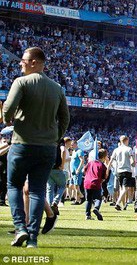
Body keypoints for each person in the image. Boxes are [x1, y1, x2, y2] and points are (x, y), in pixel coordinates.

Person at [2, 47, 70, 248]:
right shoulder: (57, 88)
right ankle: (32, 238)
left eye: (23, 60)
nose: (20, 63)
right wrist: (55, 137)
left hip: (22, 144)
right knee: (38, 191)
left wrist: (8, 120)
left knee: (14, 185)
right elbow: (65, 118)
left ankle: (20, 228)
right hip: (47, 147)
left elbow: (8, 107)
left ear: (34, 62)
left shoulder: (21, 82)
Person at [109, 135, 135, 211]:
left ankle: (123, 205)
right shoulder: (129, 149)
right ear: (127, 140)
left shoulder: (116, 150)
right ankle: (117, 203)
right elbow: (132, 160)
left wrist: (107, 169)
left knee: (121, 188)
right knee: (125, 188)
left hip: (118, 171)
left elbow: (111, 160)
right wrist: (133, 163)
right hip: (127, 170)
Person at [83, 149, 108, 221]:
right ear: (104, 157)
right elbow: (104, 177)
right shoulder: (102, 165)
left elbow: (84, 170)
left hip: (87, 182)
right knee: (98, 198)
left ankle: (87, 215)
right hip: (96, 183)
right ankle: (96, 208)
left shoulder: (90, 162)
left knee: (88, 199)